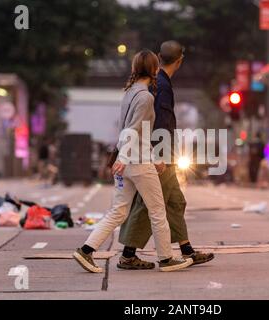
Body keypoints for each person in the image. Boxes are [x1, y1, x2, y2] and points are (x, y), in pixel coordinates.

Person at [73, 50, 193, 273]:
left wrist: (148, 157)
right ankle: (167, 259)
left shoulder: (128, 93)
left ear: (134, 69)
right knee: (157, 212)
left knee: (117, 212)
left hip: (130, 162)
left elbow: (138, 131)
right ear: (155, 69)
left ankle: (86, 251)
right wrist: (126, 157)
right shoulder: (147, 97)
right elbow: (134, 129)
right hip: (137, 164)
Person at [117, 41, 214, 270]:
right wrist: (157, 155)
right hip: (160, 153)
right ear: (180, 61)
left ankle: (187, 250)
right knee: (149, 204)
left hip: (163, 151)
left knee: (175, 201)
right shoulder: (160, 85)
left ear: (160, 57)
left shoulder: (159, 83)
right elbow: (156, 122)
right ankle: (128, 254)